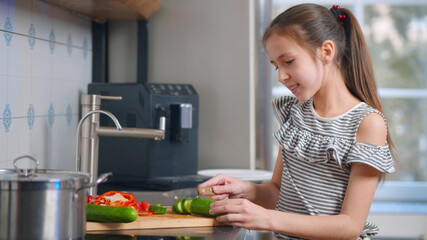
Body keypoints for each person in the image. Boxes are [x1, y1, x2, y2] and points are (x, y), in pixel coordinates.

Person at [198, 3, 397, 240]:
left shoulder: (366, 123)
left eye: (288, 61)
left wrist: (266, 218)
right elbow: (277, 192)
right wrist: (245, 190)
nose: (281, 76)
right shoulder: (294, 113)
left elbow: (350, 226)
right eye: (276, 66)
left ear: (326, 51)